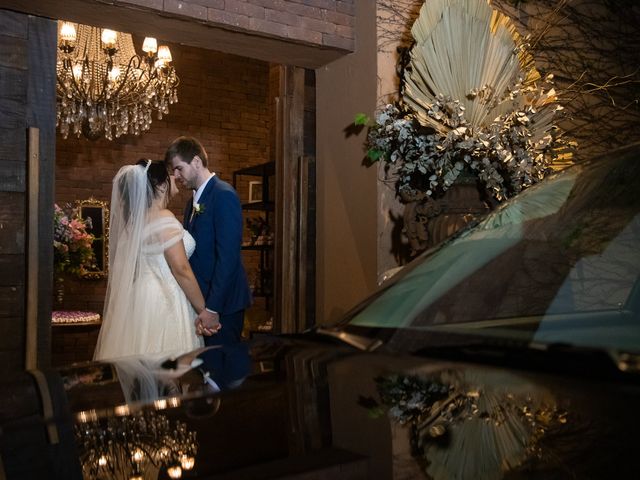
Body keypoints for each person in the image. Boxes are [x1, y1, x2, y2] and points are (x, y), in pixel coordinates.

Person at [94, 159, 205, 361]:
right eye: (170, 174)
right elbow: (181, 269)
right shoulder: (164, 217)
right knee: (168, 370)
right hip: (165, 301)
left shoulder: (134, 223)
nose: (175, 177)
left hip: (139, 300)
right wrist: (203, 310)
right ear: (161, 185)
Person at [165, 136, 252, 389]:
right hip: (205, 302)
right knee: (209, 373)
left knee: (226, 377)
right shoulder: (193, 202)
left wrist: (212, 308)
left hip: (224, 304)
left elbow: (228, 257)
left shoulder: (223, 194)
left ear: (195, 161)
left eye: (179, 168)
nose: (177, 176)